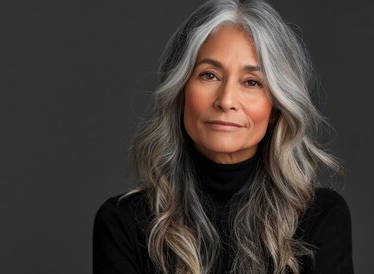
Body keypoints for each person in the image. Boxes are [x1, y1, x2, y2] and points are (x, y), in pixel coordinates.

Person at [93, 0, 353, 273]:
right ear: (181, 91)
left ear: (276, 106)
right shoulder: (123, 223)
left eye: (252, 82)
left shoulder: (321, 218)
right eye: (209, 75)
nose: (226, 100)